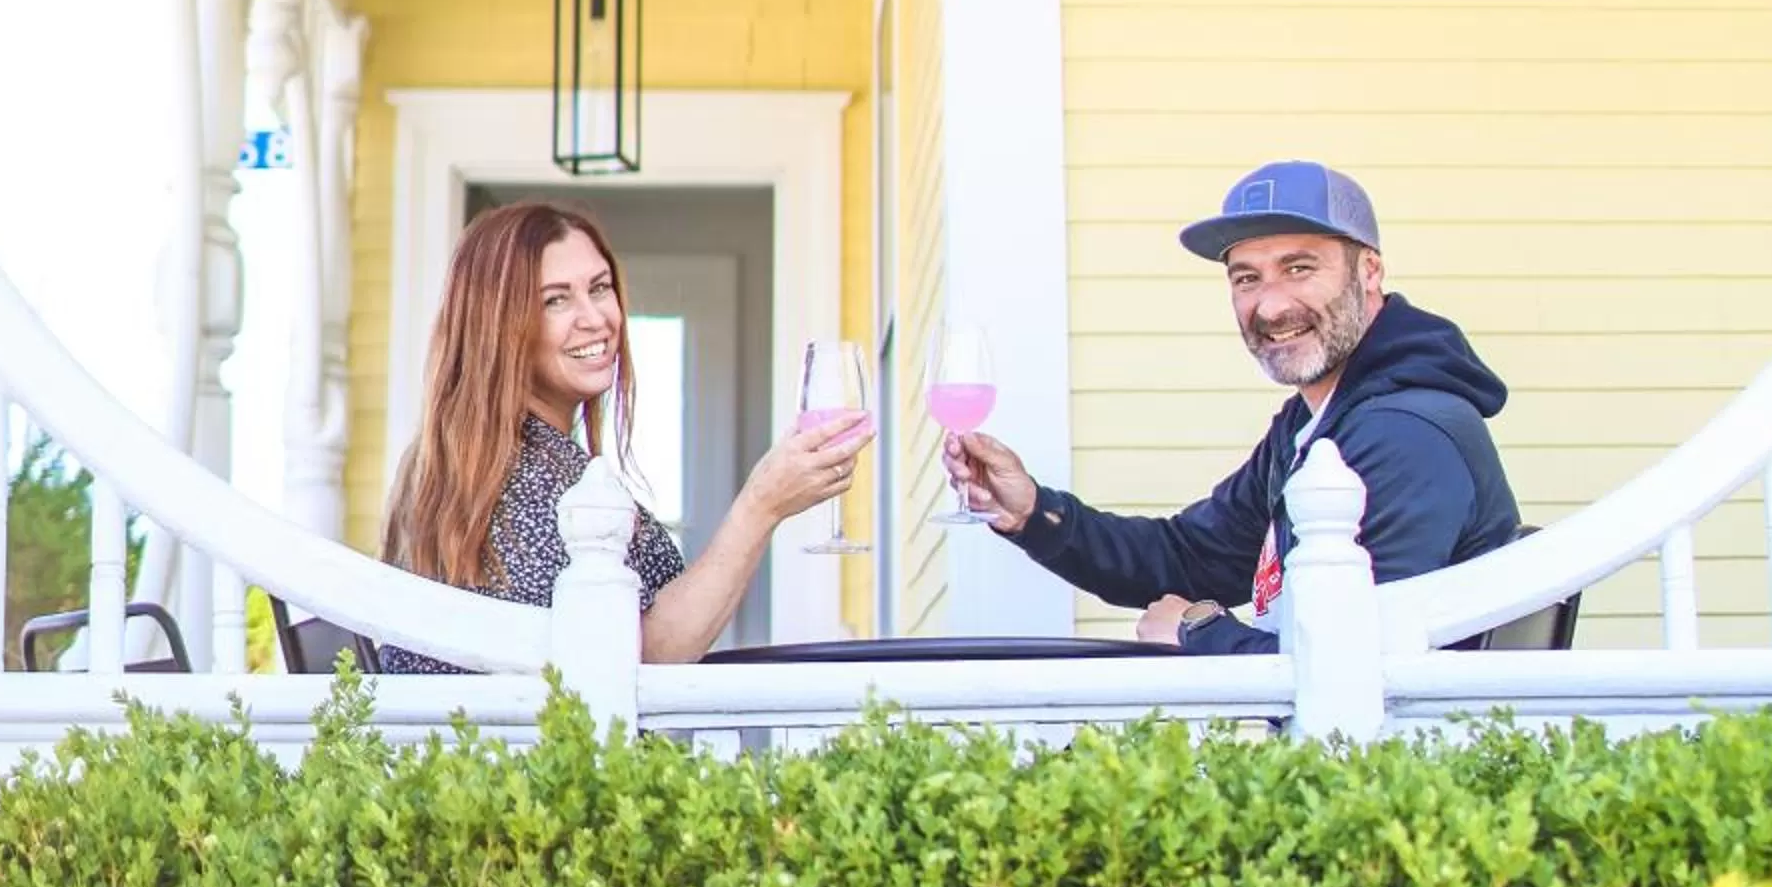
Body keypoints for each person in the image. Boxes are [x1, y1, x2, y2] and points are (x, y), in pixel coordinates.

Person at [941, 161, 1518, 653]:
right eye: (1247, 278)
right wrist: (1031, 511)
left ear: (1369, 271)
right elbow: (1188, 556)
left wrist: (1197, 633)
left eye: (1299, 268)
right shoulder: (1316, 424)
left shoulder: (1403, 434)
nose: (1270, 306)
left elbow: (1357, 665)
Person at [378, 199, 870, 670]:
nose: (595, 319)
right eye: (555, 300)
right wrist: (761, 505)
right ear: (497, 327)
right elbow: (633, 663)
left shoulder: (508, 461)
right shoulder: (515, 480)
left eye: (599, 288)